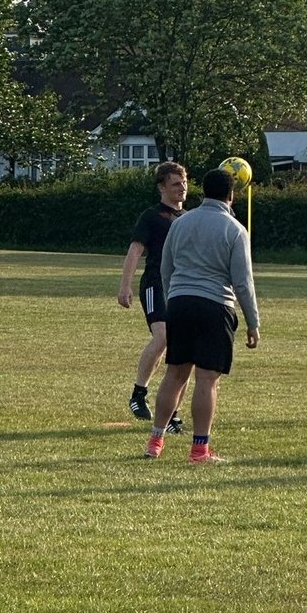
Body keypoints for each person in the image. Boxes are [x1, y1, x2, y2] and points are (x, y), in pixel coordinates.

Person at [143, 168, 260, 463]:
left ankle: (155, 441)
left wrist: (174, 300)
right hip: (215, 306)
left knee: (175, 374)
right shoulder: (234, 229)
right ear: (232, 196)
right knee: (207, 380)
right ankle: (199, 450)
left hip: (180, 303)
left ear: (202, 191)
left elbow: (165, 268)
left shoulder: (181, 223)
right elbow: (243, 283)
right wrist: (253, 321)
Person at [117, 161, 187, 431]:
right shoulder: (152, 216)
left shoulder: (188, 218)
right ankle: (138, 394)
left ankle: (172, 414)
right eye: (175, 184)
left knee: (181, 350)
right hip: (155, 284)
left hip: (180, 288)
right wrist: (125, 286)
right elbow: (135, 251)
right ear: (162, 187)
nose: (182, 188)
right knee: (163, 337)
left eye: (184, 183)